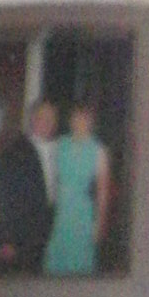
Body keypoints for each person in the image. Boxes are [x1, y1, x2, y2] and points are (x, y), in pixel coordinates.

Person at [0, 81, 52, 275]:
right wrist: (6, 239)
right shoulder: (14, 152)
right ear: (33, 119)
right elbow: (2, 195)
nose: (48, 122)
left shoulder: (58, 149)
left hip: (47, 238)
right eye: (43, 117)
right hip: (20, 241)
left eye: (52, 118)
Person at [43, 100, 109, 279]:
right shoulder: (59, 144)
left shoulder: (98, 150)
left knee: (79, 265)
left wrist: (100, 224)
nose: (80, 122)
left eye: (84, 119)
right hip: (60, 212)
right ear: (70, 120)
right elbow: (49, 179)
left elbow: (103, 191)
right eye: (76, 118)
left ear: (91, 122)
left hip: (82, 214)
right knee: (54, 265)